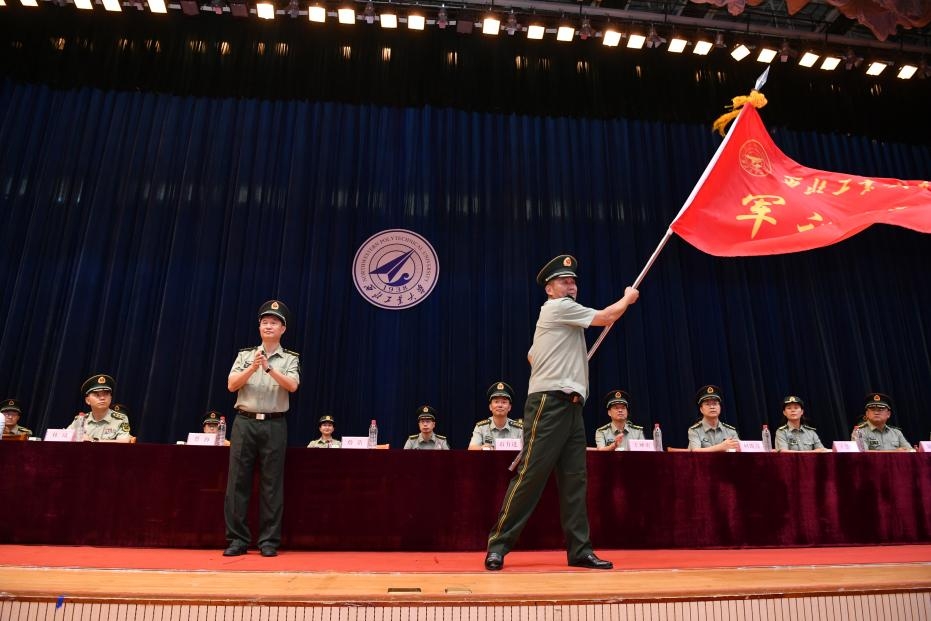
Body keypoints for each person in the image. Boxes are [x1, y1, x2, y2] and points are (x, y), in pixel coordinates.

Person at [485, 254, 639, 571]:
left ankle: (580, 550)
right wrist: (628, 297)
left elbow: (532, 356)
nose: (571, 286)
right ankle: (497, 546)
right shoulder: (558, 308)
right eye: (564, 282)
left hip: (572, 406)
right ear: (549, 289)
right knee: (531, 476)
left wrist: (556, 365)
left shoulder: (562, 320)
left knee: (574, 481)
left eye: (573, 282)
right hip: (549, 403)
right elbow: (608, 316)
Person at [223, 300, 301, 558]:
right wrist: (253, 367)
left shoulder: (290, 358)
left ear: (283, 329)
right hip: (244, 422)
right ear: (259, 327)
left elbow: (292, 386)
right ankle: (237, 540)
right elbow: (232, 385)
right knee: (237, 482)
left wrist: (269, 368)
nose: (268, 326)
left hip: (274, 423)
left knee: (272, 484)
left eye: (274, 323)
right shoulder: (245, 355)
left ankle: (269, 541)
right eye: (264, 322)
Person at [67, 374, 132, 442]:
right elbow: (65, 438)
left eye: (106, 394)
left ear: (110, 398)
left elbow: (124, 442)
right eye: (97, 395)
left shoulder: (120, 419)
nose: (102, 398)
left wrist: (93, 441)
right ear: (88, 400)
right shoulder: (80, 420)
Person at [468, 382, 523, 450]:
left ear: (509, 407)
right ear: (490, 407)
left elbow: (526, 450)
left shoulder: (519, 429)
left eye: (504, 402)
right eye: (496, 402)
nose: (500, 405)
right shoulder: (481, 427)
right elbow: (471, 449)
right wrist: (484, 448)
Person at [686, 385, 740, 452]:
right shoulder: (695, 431)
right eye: (707, 404)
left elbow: (739, 452)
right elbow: (695, 451)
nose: (712, 407)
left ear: (720, 407)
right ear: (701, 409)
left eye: (715, 404)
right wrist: (721, 447)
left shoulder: (730, 431)